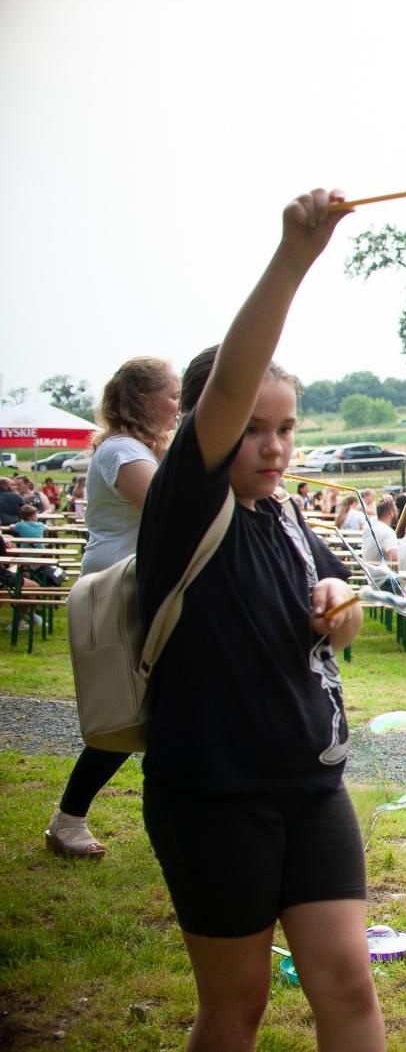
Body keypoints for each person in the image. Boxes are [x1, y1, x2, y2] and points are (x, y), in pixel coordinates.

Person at [133, 189, 383, 1047]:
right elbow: (236, 376)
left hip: (312, 786)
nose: (274, 446)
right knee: (236, 1004)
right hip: (213, 794)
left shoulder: (284, 513)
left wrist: (338, 606)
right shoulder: (188, 506)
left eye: (287, 429)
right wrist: (295, 258)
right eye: (253, 429)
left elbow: (339, 614)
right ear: (212, 429)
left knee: (349, 986)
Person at [44, 356, 180, 860]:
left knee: (160, 711)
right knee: (127, 712)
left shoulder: (136, 448)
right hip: (120, 593)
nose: (178, 406)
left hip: (143, 589)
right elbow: (168, 504)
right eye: (171, 395)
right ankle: (69, 819)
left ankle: (170, 822)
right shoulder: (122, 449)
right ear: (143, 399)